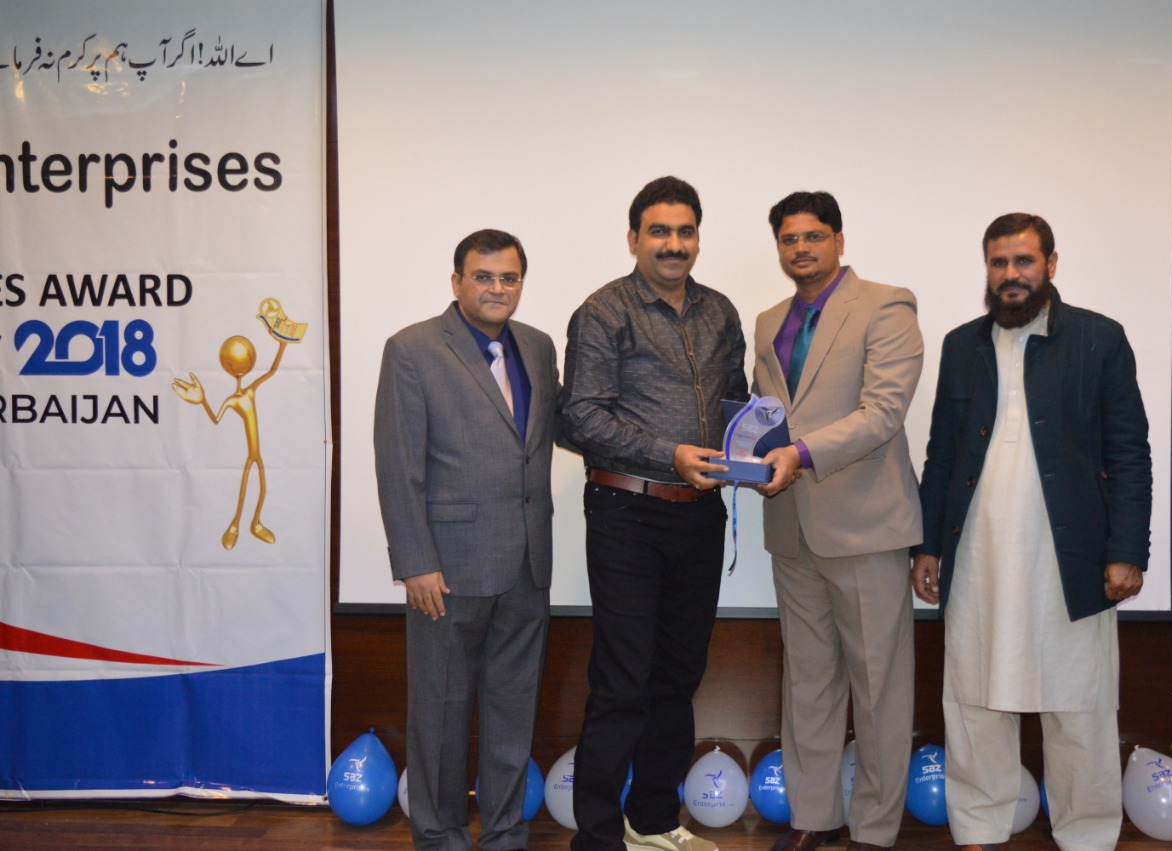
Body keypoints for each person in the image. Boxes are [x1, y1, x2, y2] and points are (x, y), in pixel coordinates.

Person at [910, 213, 1151, 851]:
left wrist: (1127, 550)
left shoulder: (1099, 339)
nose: (1011, 274)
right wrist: (927, 545)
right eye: (999, 263)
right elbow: (941, 454)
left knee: (1079, 706)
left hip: (1070, 558)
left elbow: (1130, 453)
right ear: (986, 269)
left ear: (1051, 263)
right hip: (978, 554)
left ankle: (1088, 835)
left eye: (1024, 261)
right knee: (974, 701)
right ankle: (978, 827)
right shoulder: (962, 345)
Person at [562, 175, 748, 851]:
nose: (674, 244)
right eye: (660, 231)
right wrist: (670, 453)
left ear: (698, 237)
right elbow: (580, 417)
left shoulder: (720, 311)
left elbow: (735, 404)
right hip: (627, 513)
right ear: (634, 238)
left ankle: (653, 820)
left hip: (700, 517)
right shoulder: (603, 311)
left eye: (685, 231)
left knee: (677, 677)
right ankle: (597, 837)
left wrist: (757, 448)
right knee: (622, 679)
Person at [373, 229, 559, 851]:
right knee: (440, 716)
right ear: (457, 282)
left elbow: (544, 435)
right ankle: (439, 837)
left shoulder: (538, 346)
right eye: (483, 276)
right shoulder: (412, 349)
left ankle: (505, 835)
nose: (497, 288)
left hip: (527, 563)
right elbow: (398, 464)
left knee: (513, 713)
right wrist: (414, 562)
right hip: (447, 571)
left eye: (509, 278)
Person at [752, 191, 924, 851]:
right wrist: (750, 453)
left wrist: (799, 453)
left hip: (866, 527)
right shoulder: (768, 320)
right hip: (791, 526)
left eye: (814, 236)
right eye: (789, 238)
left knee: (879, 687)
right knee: (808, 680)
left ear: (839, 240)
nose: (801, 248)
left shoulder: (886, 305)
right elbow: (768, 415)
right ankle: (815, 816)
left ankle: (875, 829)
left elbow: (884, 412)